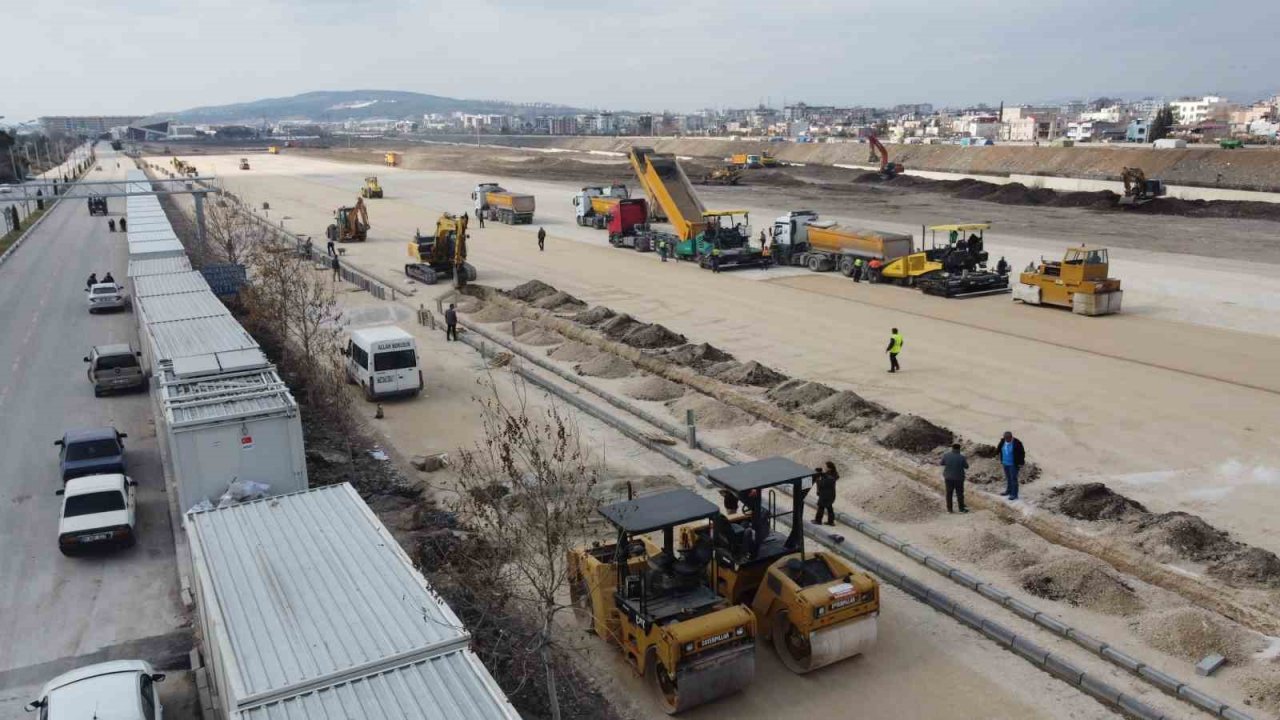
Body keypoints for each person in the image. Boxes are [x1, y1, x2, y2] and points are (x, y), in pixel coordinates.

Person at [997, 431, 1026, 500]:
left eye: (1008, 438)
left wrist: (1021, 463)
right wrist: (999, 457)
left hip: (1013, 464)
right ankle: (1008, 491)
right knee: (1008, 478)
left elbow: (1022, 453)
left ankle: (1014, 494)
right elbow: (999, 449)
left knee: (1013, 479)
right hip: (1005, 463)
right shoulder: (1002, 441)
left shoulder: (1017, 443)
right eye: (1005, 438)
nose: (1007, 440)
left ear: (1011, 437)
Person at [941, 443, 969, 513]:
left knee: (949, 493)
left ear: (952, 448)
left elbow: (941, 463)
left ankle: (949, 509)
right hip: (959, 478)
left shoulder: (946, 455)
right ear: (959, 449)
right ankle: (961, 509)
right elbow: (966, 466)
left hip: (948, 477)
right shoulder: (962, 457)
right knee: (959, 493)